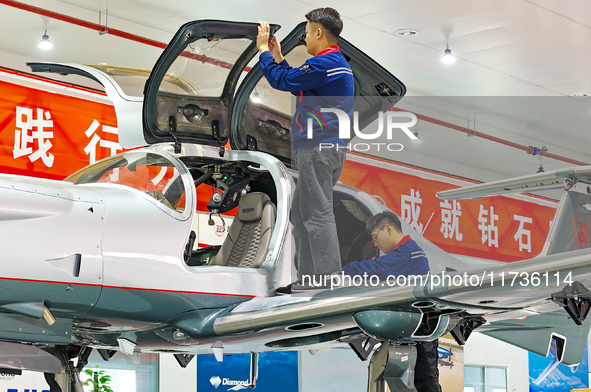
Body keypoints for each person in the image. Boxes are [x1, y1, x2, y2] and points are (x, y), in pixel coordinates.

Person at [256, 8, 354, 290]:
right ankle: (310, 279)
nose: (305, 37)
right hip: (325, 149)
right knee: (301, 214)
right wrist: (277, 57)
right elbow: (292, 79)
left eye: (308, 32)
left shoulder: (326, 64)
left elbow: (281, 81)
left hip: (318, 150)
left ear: (319, 33)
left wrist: (262, 50)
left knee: (317, 213)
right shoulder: (330, 65)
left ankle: (327, 279)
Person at [343, 211, 442, 392]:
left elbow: (376, 269)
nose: (375, 243)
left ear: (388, 229)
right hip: (420, 330)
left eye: (375, 236)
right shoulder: (406, 254)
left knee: (425, 382)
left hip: (421, 330)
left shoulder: (408, 252)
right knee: (422, 381)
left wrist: (340, 272)